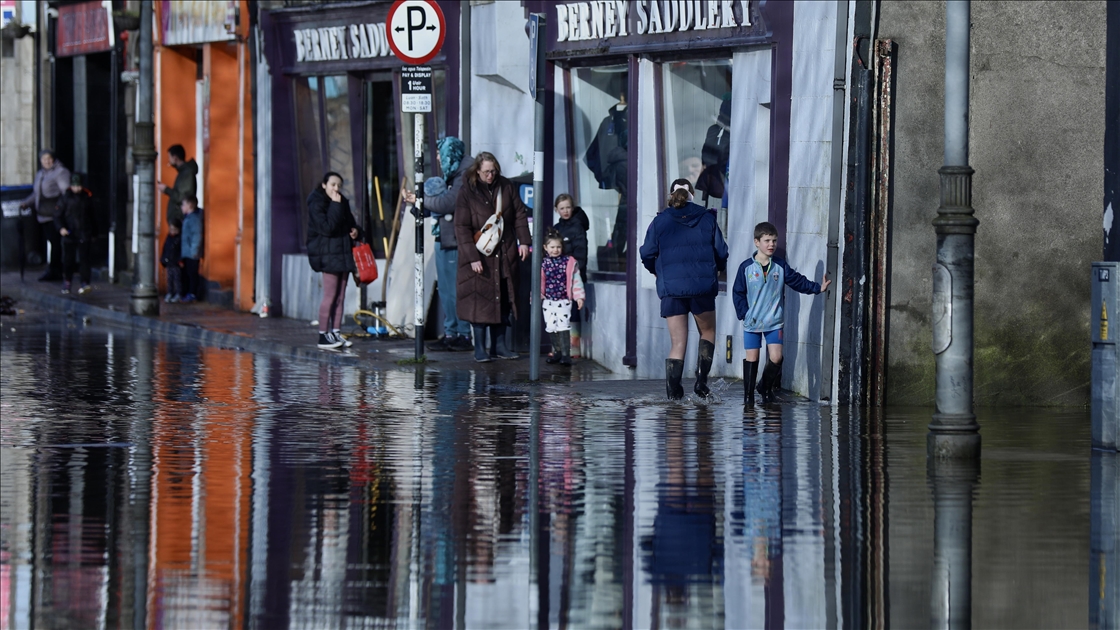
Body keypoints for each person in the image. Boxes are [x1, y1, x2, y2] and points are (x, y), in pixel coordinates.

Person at [639, 178, 728, 400]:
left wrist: (657, 271)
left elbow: (646, 253)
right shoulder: (707, 218)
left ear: (671, 196)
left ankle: (674, 397)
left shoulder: (660, 222)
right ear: (692, 196)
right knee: (707, 332)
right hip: (702, 287)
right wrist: (717, 269)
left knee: (678, 343)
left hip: (672, 289)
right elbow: (722, 251)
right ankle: (701, 382)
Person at [732, 221, 831, 405]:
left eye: (774, 241)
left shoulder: (779, 266)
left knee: (776, 357)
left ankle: (764, 387)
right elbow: (738, 292)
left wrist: (817, 288)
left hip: (774, 321)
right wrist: (744, 313)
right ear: (756, 242)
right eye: (767, 240)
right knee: (752, 358)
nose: (771, 245)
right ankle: (748, 398)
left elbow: (796, 281)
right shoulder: (746, 267)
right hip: (752, 322)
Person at [453, 151, 532, 363]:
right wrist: (472, 258)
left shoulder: (506, 186)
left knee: (503, 298)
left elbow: (519, 214)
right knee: (479, 301)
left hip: (504, 253)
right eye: (487, 171)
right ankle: (480, 348)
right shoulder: (466, 192)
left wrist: (524, 241)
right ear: (477, 171)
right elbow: (461, 227)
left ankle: (500, 346)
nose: (491, 175)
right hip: (479, 255)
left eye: (493, 170)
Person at [405, 136, 475, 353]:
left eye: (439, 152)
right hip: (445, 238)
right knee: (446, 290)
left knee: (456, 290)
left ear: (449, 153)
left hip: (454, 241)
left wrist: (419, 200)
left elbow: (447, 203)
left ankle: (463, 334)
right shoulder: (453, 174)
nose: (436, 157)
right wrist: (418, 205)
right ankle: (451, 332)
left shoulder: (463, 176)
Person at [307, 171, 360, 350]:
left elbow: (350, 223)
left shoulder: (341, 201)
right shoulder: (317, 203)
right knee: (330, 296)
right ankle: (323, 335)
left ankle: (336, 332)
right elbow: (327, 227)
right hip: (327, 254)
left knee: (340, 296)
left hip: (343, 252)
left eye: (339, 185)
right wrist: (336, 206)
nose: (336, 189)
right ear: (324, 185)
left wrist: (356, 231)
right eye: (333, 185)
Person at [584, 89, 629, 262]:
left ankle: (618, 250)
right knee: (623, 215)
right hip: (621, 180)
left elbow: (592, 155)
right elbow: (592, 154)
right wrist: (605, 175)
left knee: (623, 215)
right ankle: (617, 251)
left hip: (621, 179)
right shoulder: (609, 122)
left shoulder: (618, 120)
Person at [20, 149, 71, 281]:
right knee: (52, 242)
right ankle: (53, 269)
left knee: (55, 243)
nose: (46, 161)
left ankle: (56, 270)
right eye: (44, 159)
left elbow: (66, 192)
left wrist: (60, 209)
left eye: (49, 159)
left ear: (53, 159)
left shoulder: (60, 172)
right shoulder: (41, 174)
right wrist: (26, 203)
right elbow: (36, 193)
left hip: (55, 214)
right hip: (43, 214)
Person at [541, 229, 586, 366]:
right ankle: (557, 352)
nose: (555, 250)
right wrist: (536, 297)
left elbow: (576, 280)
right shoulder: (543, 263)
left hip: (563, 300)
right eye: (552, 247)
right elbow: (538, 282)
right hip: (548, 300)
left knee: (563, 326)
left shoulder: (569, 262)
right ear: (546, 248)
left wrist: (579, 297)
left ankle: (566, 354)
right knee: (551, 326)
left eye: (558, 247)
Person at [553, 193, 589, 357]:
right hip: (558, 278)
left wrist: (575, 273)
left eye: (568, 207)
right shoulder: (557, 229)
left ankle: (573, 347)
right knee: (557, 311)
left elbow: (581, 253)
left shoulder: (578, 226)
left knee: (573, 311)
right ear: (557, 210)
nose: (565, 211)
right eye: (562, 208)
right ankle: (559, 346)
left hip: (574, 277)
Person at [56, 173, 94, 294]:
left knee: (85, 260)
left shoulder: (87, 197)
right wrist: (61, 228)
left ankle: (85, 282)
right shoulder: (65, 198)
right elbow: (57, 216)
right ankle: (67, 281)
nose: (76, 188)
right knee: (68, 260)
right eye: (74, 186)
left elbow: (92, 216)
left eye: (78, 186)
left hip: (84, 232)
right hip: (69, 233)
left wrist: (94, 232)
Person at [157, 144, 198, 225]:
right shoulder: (183, 173)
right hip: (178, 222)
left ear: (175, 158)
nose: (169, 161)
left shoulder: (187, 174)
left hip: (180, 221)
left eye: (169, 157)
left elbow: (182, 197)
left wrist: (166, 189)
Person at [179, 194, 204, 304]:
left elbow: (196, 235)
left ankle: (192, 293)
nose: (181, 207)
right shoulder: (187, 218)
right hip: (187, 252)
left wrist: (194, 250)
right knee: (187, 273)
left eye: (183, 205)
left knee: (192, 274)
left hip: (191, 253)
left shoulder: (193, 219)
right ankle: (188, 293)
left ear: (190, 205)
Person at [161, 218, 183, 303]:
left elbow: (180, 250)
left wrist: (180, 260)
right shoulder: (169, 238)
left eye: (174, 229)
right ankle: (170, 292)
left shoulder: (179, 239)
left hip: (176, 262)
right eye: (171, 229)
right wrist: (163, 259)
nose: (172, 231)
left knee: (177, 279)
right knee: (169, 279)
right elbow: (165, 249)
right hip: (169, 262)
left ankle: (178, 293)